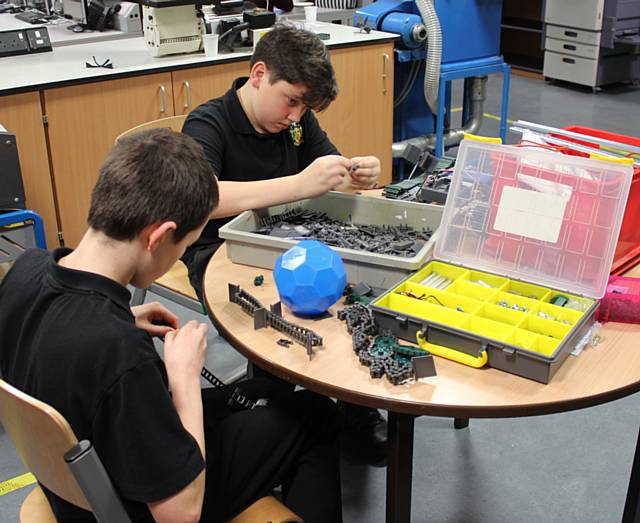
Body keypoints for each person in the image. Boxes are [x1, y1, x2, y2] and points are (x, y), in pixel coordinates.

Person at [0, 129, 342, 523]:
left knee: (261, 391)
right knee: (316, 415)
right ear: (160, 236)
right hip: (138, 503)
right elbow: (180, 513)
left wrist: (125, 317)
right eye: (183, 246)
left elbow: (54, 330)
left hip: (86, 461)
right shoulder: (121, 354)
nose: (178, 257)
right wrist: (183, 380)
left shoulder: (26, 269)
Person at [181, 24, 387, 460]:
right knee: (277, 316)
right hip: (221, 253)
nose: (295, 116)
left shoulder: (297, 122)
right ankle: (273, 418)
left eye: (304, 106)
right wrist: (296, 184)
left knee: (353, 300)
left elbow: (326, 171)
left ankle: (356, 414)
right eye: (291, 100)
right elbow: (202, 197)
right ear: (258, 74)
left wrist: (355, 173)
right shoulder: (208, 122)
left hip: (292, 239)